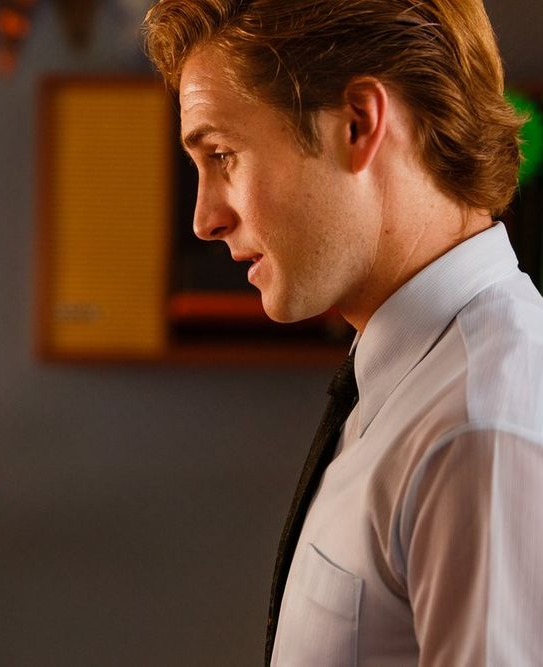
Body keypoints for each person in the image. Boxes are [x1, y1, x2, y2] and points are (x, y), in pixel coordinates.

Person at [143, 0, 543, 664]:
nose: (205, 218)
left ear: (358, 124)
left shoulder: (483, 431)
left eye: (223, 154)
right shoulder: (408, 385)